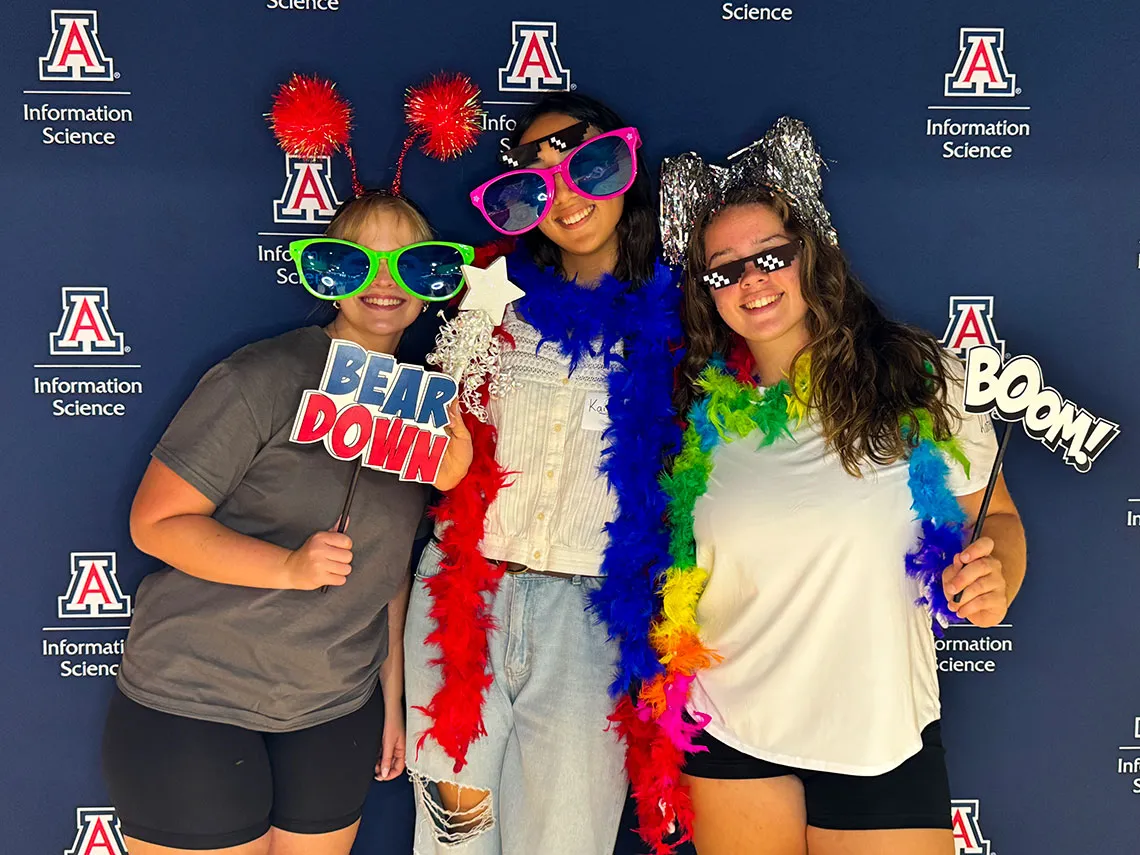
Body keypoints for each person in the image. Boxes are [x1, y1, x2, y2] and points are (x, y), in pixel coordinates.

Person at [655, 119, 1027, 855]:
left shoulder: (922, 381)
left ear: (811, 254)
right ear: (707, 291)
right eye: (724, 268)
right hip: (733, 733)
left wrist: (998, 578)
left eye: (771, 254)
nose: (752, 279)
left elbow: (1000, 518)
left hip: (880, 733)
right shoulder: (691, 410)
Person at [102, 192, 472, 855]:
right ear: (326, 273)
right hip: (195, 698)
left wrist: (393, 700)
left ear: (433, 281)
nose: (384, 280)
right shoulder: (264, 376)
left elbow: (388, 571)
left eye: (409, 262)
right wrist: (288, 567)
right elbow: (156, 522)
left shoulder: (428, 406)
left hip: (332, 709)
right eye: (356, 260)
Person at [403, 93, 681, 855]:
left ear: (624, 168)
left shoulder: (682, 315)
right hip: (464, 598)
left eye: (588, 165)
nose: (568, 195)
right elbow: (443, 438)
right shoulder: (492, 297)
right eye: (540, 182)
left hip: (591, 619)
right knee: (452, 845)